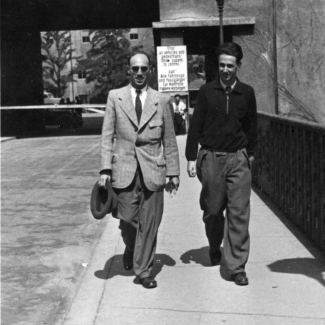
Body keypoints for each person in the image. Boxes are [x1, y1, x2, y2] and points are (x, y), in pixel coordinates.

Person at [99, 53, 180, 289]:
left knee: (151, 221)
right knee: (127, 219)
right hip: (123, 168)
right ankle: (132, 247)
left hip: (153, 169)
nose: (139, 73)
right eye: (135, 68)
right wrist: (105, 168)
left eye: (144, 68)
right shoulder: (115, 97)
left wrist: (173, 173)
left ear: (150, 70)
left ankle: (144, 270)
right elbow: (107, 135)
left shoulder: (162, 100)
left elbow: (170, 140)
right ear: (129, 71)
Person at [185, 42, 257, 286]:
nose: (226, 70)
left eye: (231, 65)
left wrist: (251, 156)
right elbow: (195, 126)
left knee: (239, 213)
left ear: (238, 66)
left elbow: (251, 128)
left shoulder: (247, 92)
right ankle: (215, 245)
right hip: (212, 158)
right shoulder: (207, 91)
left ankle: (237, 266)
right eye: (222, 65)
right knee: (213, 211)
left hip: (238, 158)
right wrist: (190, 157)